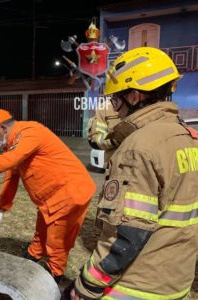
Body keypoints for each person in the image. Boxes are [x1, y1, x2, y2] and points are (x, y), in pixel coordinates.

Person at [70, 47, 198, 300]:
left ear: (135, 97)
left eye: (117, 100)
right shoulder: (186, 137)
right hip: (177, 278)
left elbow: (127, 235)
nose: (115, 109)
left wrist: (87, 285)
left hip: (137, 285)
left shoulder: (138, 148)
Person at [0, 109, 96, 283]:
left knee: (57, 243)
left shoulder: (30, 132)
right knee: (41, 233)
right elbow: (11, 178)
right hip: (52, 198)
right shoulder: (14, 143)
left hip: (70, 194)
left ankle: (54, 277)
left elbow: (12, 159)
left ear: (2, 128)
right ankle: (32, 257)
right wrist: (0, 210)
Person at [87, 99, 120, 163]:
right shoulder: (104, 108)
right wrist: (114, 140)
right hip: (114, 163)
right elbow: (98, 138)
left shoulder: (144, 108)